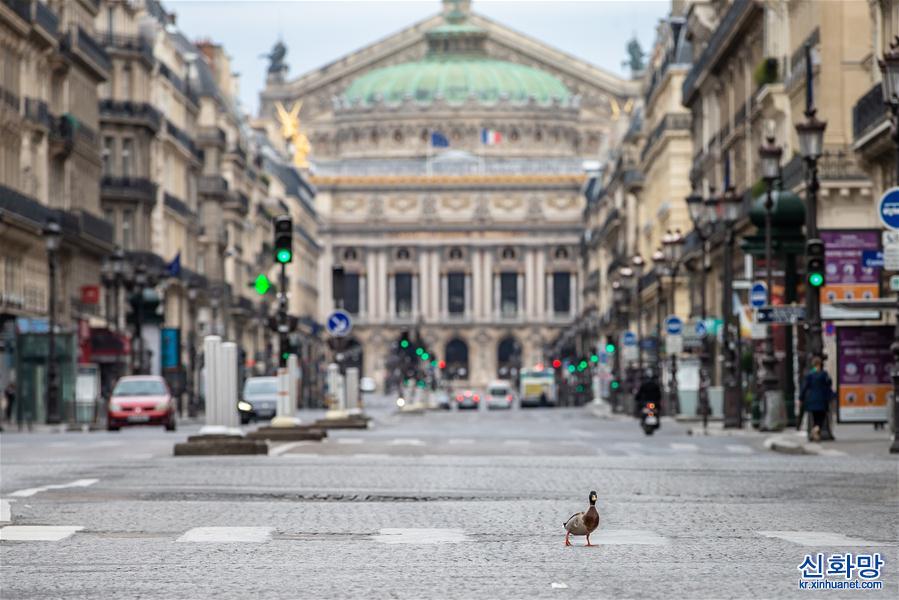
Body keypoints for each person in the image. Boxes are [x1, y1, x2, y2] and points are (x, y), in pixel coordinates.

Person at [799, 357, 834, 442]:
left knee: (815, 418)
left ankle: (815, 433)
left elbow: (804, 387)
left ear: (813, 365)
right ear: (820, 364)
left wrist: (801, 398)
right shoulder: (824, 374)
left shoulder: (810, 375)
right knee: (821, 418)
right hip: (822, 400)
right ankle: (815, 430)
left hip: (812, 400)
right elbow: (829, 384)